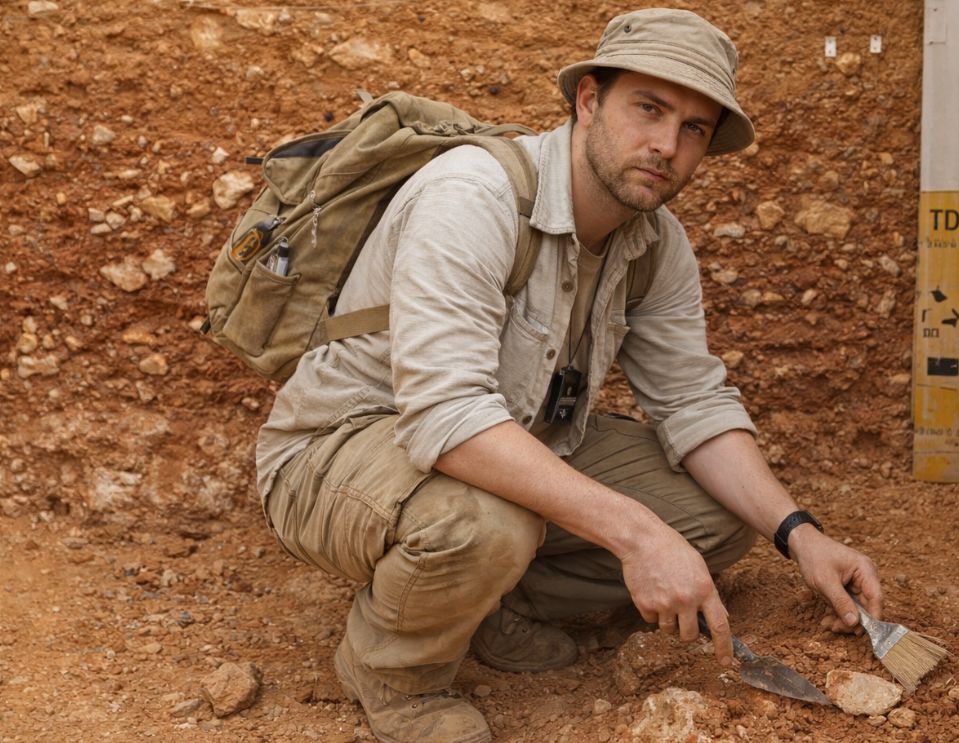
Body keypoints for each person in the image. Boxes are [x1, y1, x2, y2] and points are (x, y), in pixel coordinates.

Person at [255, 8, 883, 743]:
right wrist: (635, 534)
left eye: (694, 129)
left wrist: (798, 533)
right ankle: (397, 676)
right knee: (484, 522)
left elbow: (691, 399)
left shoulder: (655, 242)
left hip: (501, 444)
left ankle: (489, 606)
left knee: (714, 517)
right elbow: (445, 414)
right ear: (588, 100)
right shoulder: (473, 195)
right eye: (648, 109)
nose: (666, 146)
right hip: (340, 451)